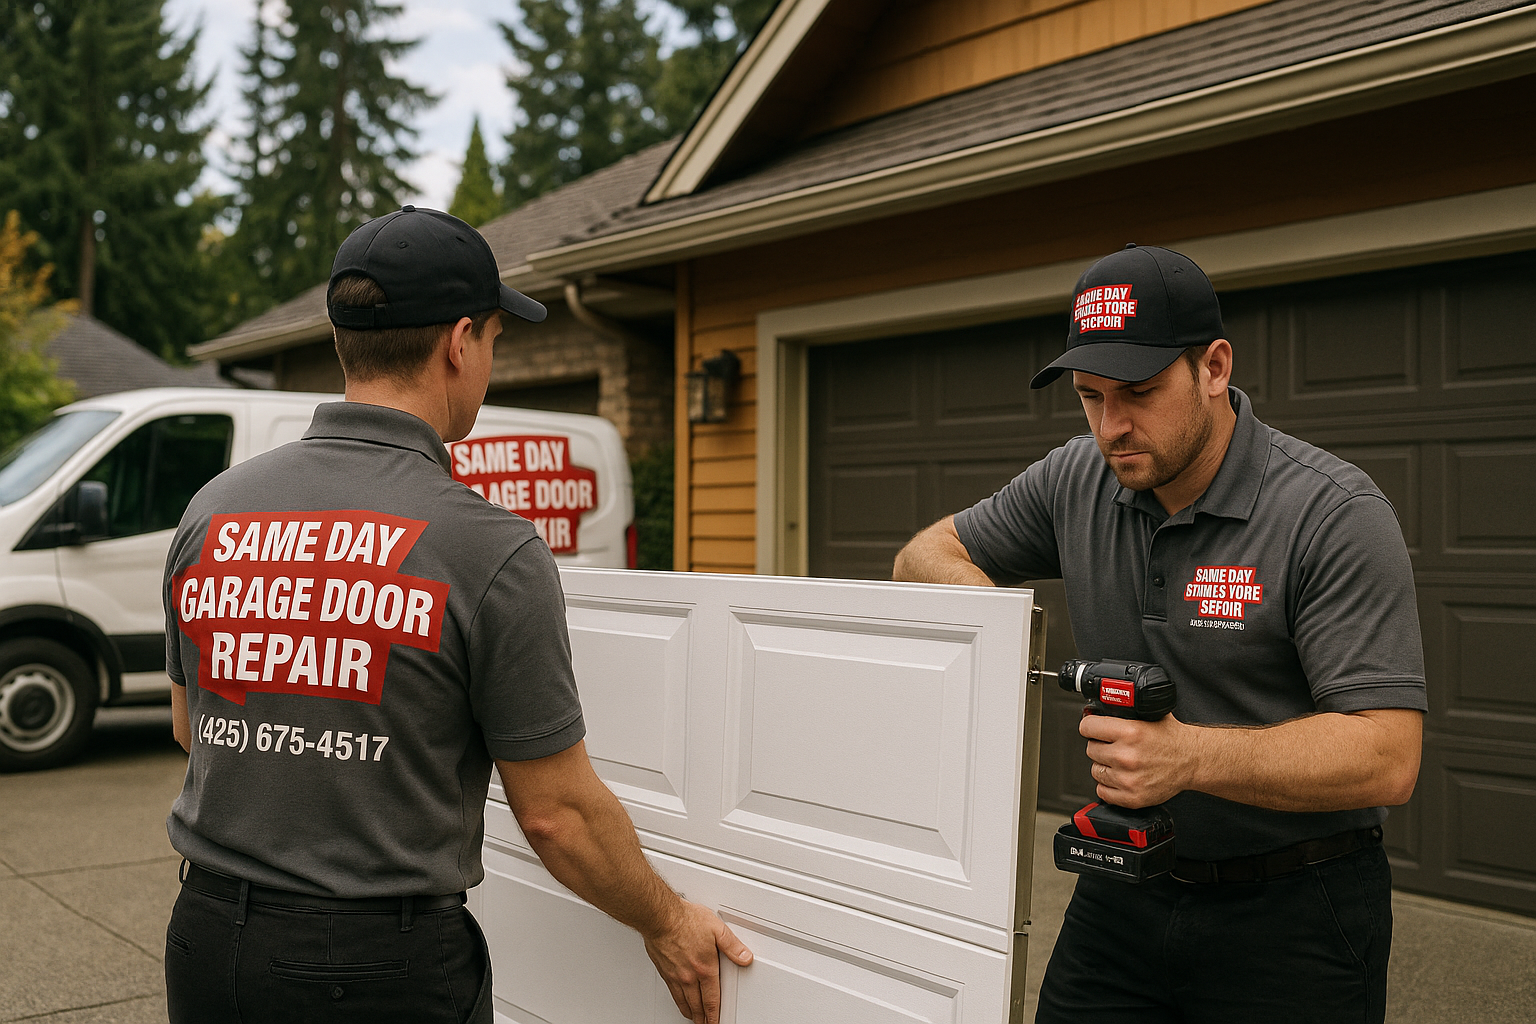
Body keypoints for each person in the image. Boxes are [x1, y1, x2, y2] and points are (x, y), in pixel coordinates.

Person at [162, 206, 751, 1024]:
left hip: (205, 943)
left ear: (346, 344)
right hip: (373, 975)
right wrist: (669, 919)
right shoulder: (487, 548)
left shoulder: (212, 511)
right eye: (496, 343)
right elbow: (557, 817)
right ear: (458, 342)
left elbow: (195, 728)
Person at [893, 244, 1425, 1024]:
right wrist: (1014, 640)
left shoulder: (1332, 514)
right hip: (1125, 887)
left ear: (1213, 368)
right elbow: (923, 558)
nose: (1113, 426)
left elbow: (1387, 757)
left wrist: (1188, 755)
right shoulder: (1077, 477)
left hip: (1296, 910)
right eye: (1089, 396)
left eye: (1139, 391)